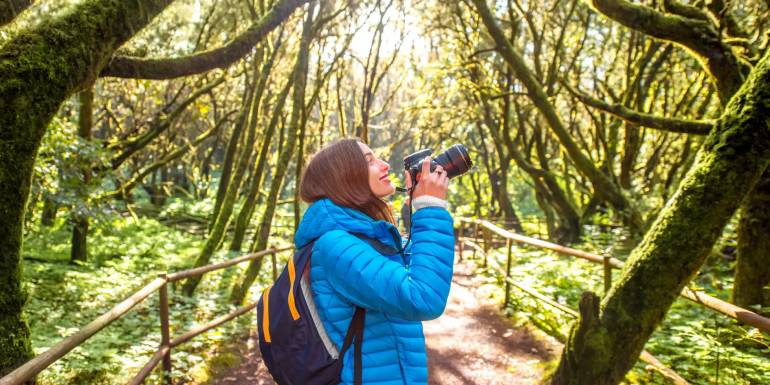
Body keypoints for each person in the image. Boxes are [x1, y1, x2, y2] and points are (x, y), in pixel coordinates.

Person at [295, 138, 455, 385]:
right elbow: (423, 296)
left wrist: (419, 203)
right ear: (344, 177)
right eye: (369, 161)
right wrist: (430, 208)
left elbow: (418, 269)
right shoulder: (335, 245)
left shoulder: (364, 236)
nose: (385, 165)